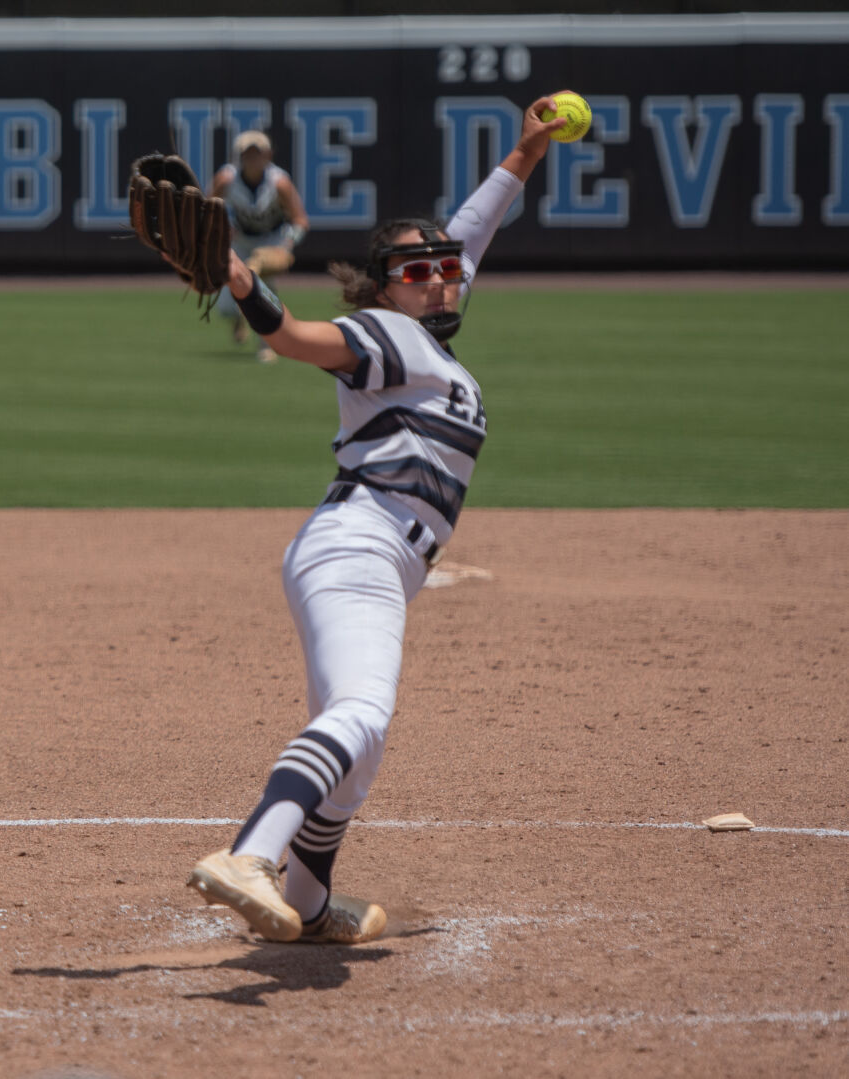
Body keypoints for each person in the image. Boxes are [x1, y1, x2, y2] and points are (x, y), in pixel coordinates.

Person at [185, 98, 568, 944]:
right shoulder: (388, 331)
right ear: (385, 283)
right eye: (416, 268)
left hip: (376, 557)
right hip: (357, 542)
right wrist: (242, 279)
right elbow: (289, 337)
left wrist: (526, 151)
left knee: (357, 760)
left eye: (445, 268)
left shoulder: (425, 325)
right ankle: (251, 853)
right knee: (361, 711)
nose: (438, 275)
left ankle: (312, 901)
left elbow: (466, 233)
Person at [209, 130, 310, 364]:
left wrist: (286, 245)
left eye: (258, 153)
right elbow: (208, 209)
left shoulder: (279, 182)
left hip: (271, 239)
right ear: (239, 156)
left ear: (268, 155)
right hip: (240, 241)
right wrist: (220, 229)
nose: (253, 159)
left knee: (264, 292)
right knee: (225, 306)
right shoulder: (226, 179)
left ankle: (267, 345)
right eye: (247, 154)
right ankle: (238, 318)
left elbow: (300, 220)